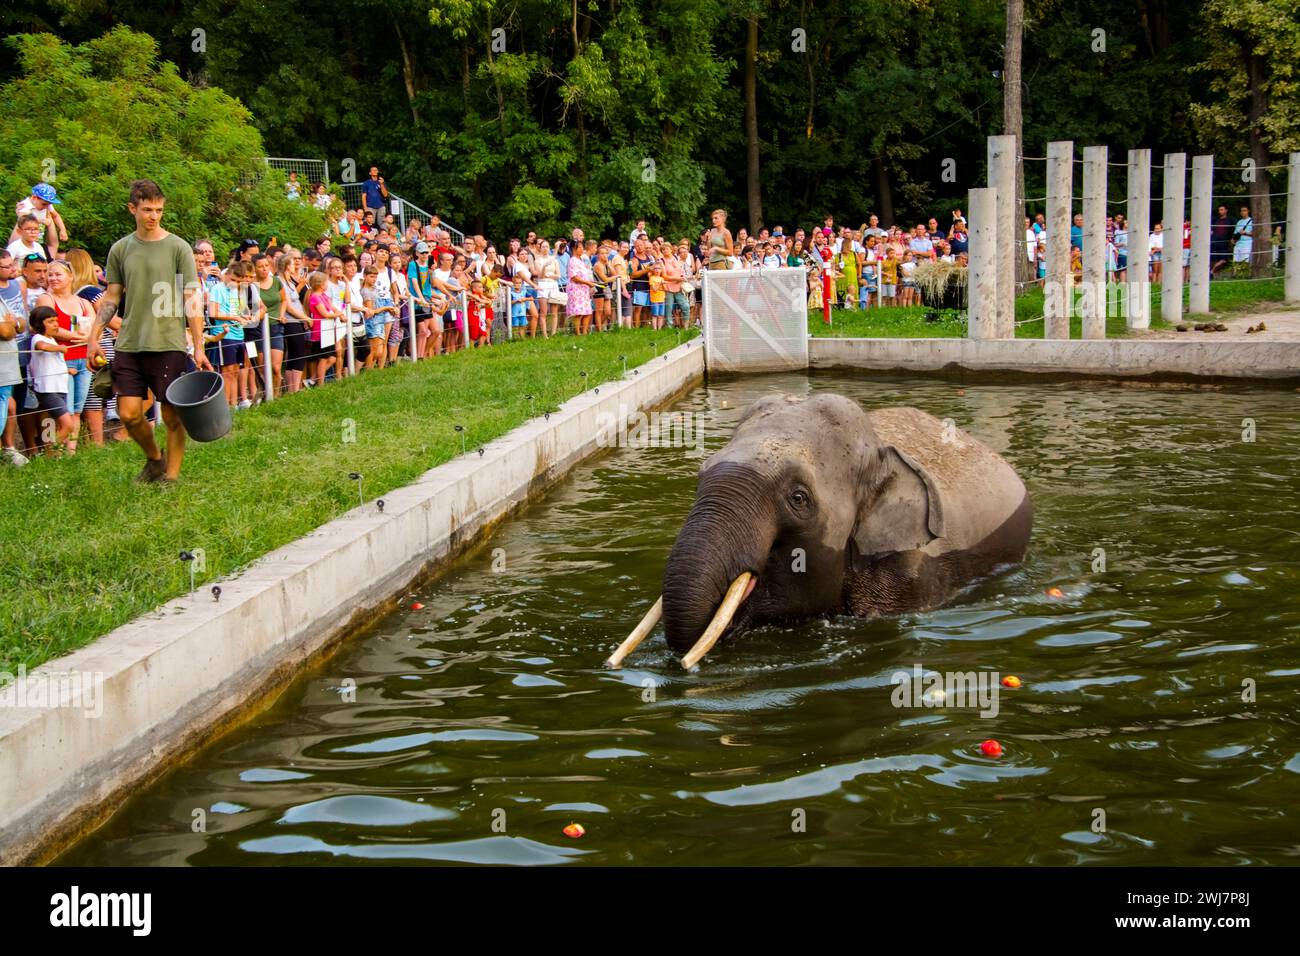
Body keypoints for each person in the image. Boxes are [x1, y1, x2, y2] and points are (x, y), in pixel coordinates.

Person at [87, 180, 210, 484]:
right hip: (129, 342)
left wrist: (199, 345)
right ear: (133, 208)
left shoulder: (178, 247)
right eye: (147, 209)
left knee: (171, 416)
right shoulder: (121, 248)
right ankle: (155, 459)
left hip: (168, 342)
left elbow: (191, 298)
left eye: (158, 210)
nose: (153, 216)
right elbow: (112, 297)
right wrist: (93, 337)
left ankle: (172, 476)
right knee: (128, 414)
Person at [35, 260, 95, 454]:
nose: (52, 278)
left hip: (83, 358)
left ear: (70, 276)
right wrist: (74, 337)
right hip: (59, 360)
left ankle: (71, 451)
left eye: (57, 274)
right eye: (50, 275)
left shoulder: (83, 302)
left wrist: (90, 337)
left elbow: (95, 326)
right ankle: (52, 451)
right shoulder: (47, 299)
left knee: (77, 409)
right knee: (62, 410)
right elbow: (45, 325)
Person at [27, 306, 79, 453]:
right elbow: (42, 347)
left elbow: (50, 364)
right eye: (50, 321)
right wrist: (59, 348)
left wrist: (66, 370)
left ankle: (51, 453)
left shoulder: (53, 340)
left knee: (50, 423)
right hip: (48, 389)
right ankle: (51, 453)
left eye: (56, 321)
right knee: (67, 424)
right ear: (39, 324)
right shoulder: (38, 338)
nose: (55, 324)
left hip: (59, 386)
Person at [0, 289, 27, 466]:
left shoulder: (3, 297)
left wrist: (13, 323)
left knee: (9, 405)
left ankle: (8, 450)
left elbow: (22, 324)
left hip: (7, 369)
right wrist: (12, 324)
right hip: (2, 371)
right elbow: (5, 332)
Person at [12, 183, 68, 260]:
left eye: (49, 204)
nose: (46, 207)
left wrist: (62, 229)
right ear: (34, 198)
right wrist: (41, 221)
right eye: (44, 204)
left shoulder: (47, 205)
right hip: (24, 241)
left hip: (39, 240)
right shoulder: (26, 205)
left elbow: (55, 216)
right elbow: (24, 218)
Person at [567, 240, 596, 335]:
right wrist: (587, 282)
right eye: (580, 247)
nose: (582, 249)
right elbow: (574, 277)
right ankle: (577, 332)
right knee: (578, 312)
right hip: (576, 289)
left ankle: (584, 331)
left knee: (587, 311)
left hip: (584, 289)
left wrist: (588, 282)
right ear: (574, 249)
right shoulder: (572, 260)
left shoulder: (581, 260)